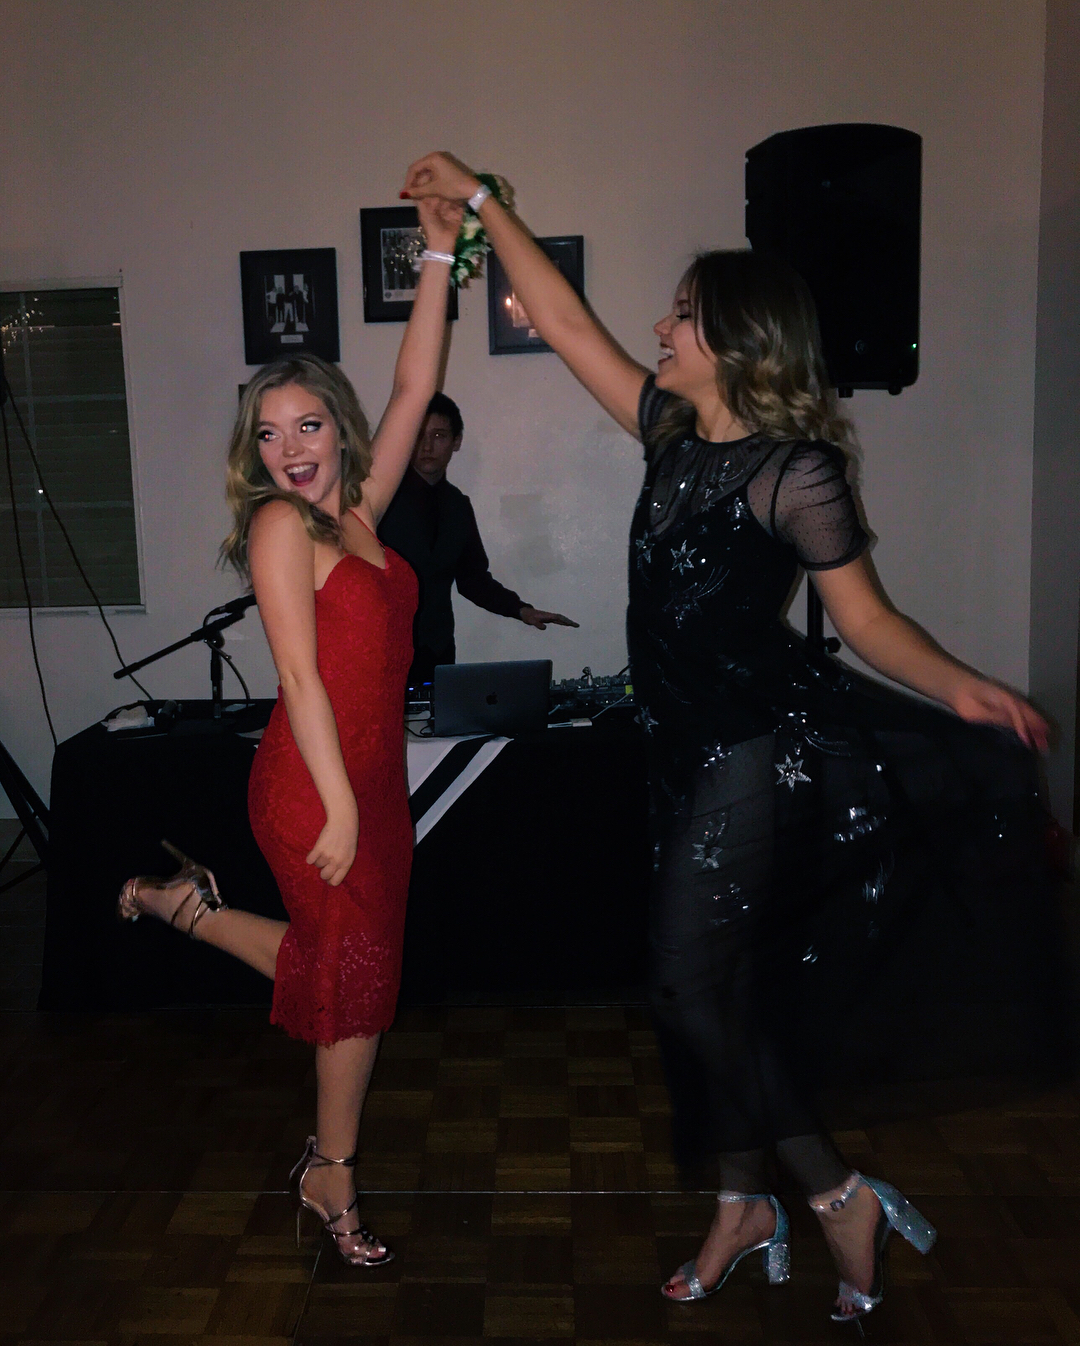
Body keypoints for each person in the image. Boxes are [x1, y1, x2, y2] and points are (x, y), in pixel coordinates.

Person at [402, 152, 1065, 1323]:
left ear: (740, 341)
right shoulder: (667, 431)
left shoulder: (793, 473)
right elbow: (566, 321)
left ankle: (835, 1193)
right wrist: (490, 203)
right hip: (673, 751)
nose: (660, 327)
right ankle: (737, 1201)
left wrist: (961, 685)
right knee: (724, 985)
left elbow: (867, 620)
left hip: (755, 750)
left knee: (686, 985)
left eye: (683, 314)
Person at [117, 196, 464, 1269]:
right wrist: (346, 807)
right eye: (266, 435)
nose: (287, 450)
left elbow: (414, 385)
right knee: (354, 989)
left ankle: (182, 904)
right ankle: (331, 1175)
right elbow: (302, 678)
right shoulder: (279, 525)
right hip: (314, 785)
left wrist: (440, 251)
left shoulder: (356, 513)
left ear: (338, 430)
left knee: (344, 965)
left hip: (371, 778)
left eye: (307, 425)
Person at [378, 390, 579, 689]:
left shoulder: (458, 505)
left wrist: (521, 610)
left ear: (456, 441)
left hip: (437, 650)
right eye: (419, 434)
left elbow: (473, 579)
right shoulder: (379, 499)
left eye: (439, 435)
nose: (427, 446)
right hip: (381, 647)